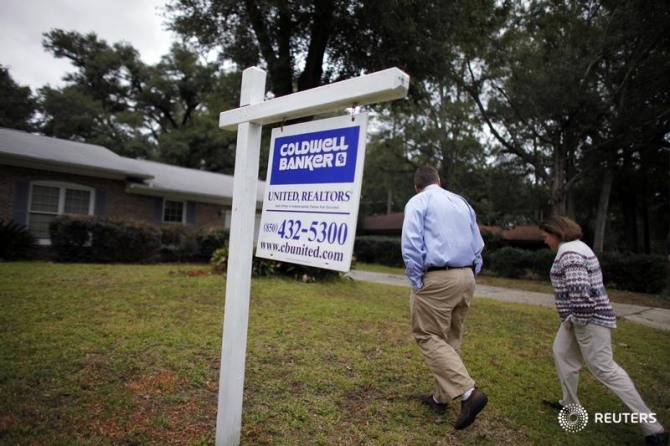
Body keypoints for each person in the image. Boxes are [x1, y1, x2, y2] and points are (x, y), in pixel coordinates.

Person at [539, 215, 668, 446]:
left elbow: (580, 290)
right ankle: (570, 404)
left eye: (546, 235)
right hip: (577, 319)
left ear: (557, 233)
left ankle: (654, 429)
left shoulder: (568, 252)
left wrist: (578, 321)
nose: (544, 240)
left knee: (605, 370)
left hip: (587, 320)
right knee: (562, 352)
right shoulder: (577, 248)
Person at [401, 165, 487, 430]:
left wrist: (417, 280)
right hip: (466, 276)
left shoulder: (418, 201)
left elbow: (412, 243)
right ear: (439, 180)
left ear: (417, 186)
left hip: (438, 277)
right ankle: (440, 397)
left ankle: (468, 392)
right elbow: (478, 242)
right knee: (451, 337)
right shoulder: (461, 202)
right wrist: (473, 270)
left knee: (428, 336)